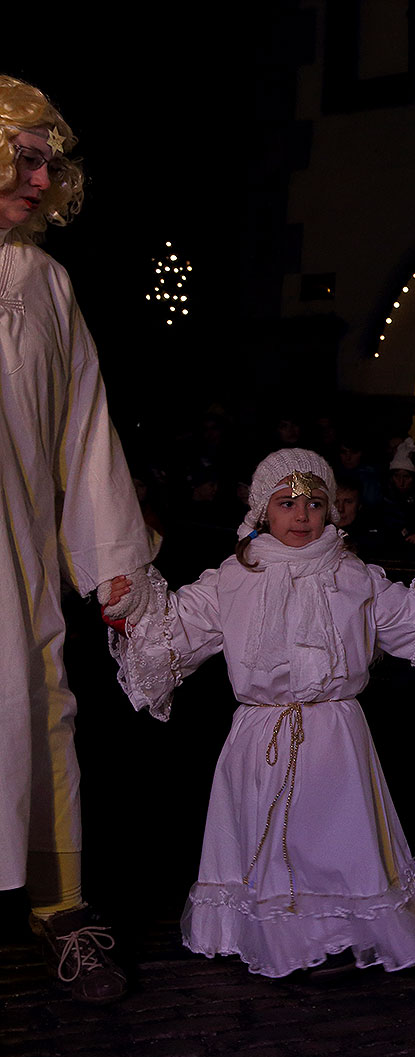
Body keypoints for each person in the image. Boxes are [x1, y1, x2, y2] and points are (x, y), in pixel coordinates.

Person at [104, 450, 415, 977]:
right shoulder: (233, 577)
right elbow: (176, 630)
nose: (302, 515)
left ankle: (342, 931)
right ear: (262, 512)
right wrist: (133, 607)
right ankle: (279, 935)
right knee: (268, 842)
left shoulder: (353, 575)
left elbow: (411, 620)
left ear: (333, 511)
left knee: (336, 836)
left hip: (333, 730)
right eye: (287, 503)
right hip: (261, 729)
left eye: (315, 503)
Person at [0, 76, 158, 1005]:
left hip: (16, 561)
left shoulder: (45, 283)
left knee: (40, 713)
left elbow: (84, 430)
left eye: (49, 161)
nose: (41, 176)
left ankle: (61, 907)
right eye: (23, 155)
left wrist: (111, 562)